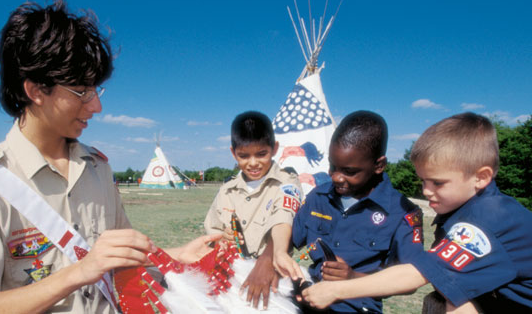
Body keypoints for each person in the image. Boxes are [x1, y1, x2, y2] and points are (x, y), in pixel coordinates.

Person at [0, 0, 217, 314]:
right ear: (36, 90)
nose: (96, 106)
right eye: (81, 92)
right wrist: (79, 272)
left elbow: (118, 257)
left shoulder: (97, 168)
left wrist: (176, 254)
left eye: (96, 90)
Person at [299, 112, 532, 313]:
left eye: (438, 183)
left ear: (481, 177)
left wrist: (337, 289)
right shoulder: (460, 211)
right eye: (423, 181)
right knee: (445, 299)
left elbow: (417, 273)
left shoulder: (490, 217)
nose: (426, 191)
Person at [278, 110, 424, 313]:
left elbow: (410, 280)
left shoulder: (402, 212)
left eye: (349, 171)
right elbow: (287, 237)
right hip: (308, 300)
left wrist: (352, 278)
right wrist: (274, 252)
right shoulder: (318, 197)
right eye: (332, 167)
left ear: (379, 165)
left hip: (356, 307)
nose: (336, 177)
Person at [204, 110, 304, 309]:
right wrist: (223, 239)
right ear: (233, 153)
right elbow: (211, 232)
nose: (253, 163)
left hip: (271, 279)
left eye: (261, 154)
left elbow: (284, 218)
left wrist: (267, 260)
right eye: (243, 155)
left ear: (274, 149)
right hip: (231, 278)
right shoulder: (227, 190)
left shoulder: (287, 182)